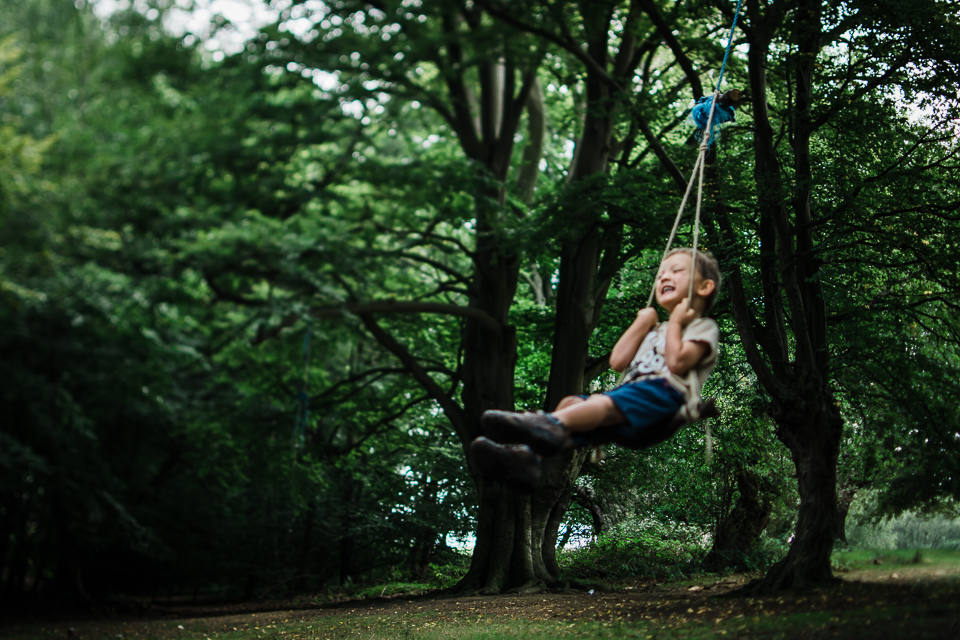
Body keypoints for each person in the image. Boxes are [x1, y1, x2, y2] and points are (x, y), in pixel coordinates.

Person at [470, 248, 721, 493]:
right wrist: (641, 323)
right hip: (635, 402)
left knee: (602, 403)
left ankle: (548, 424)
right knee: (570, 402)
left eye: (676, 271)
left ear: (704, 287)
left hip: (664, 399)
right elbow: (618, 361)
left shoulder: (702, 327)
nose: (664, 277)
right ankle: (527, 459)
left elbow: (678, 363)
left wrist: (676, 322)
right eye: (661, 274)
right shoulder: (657, 329)